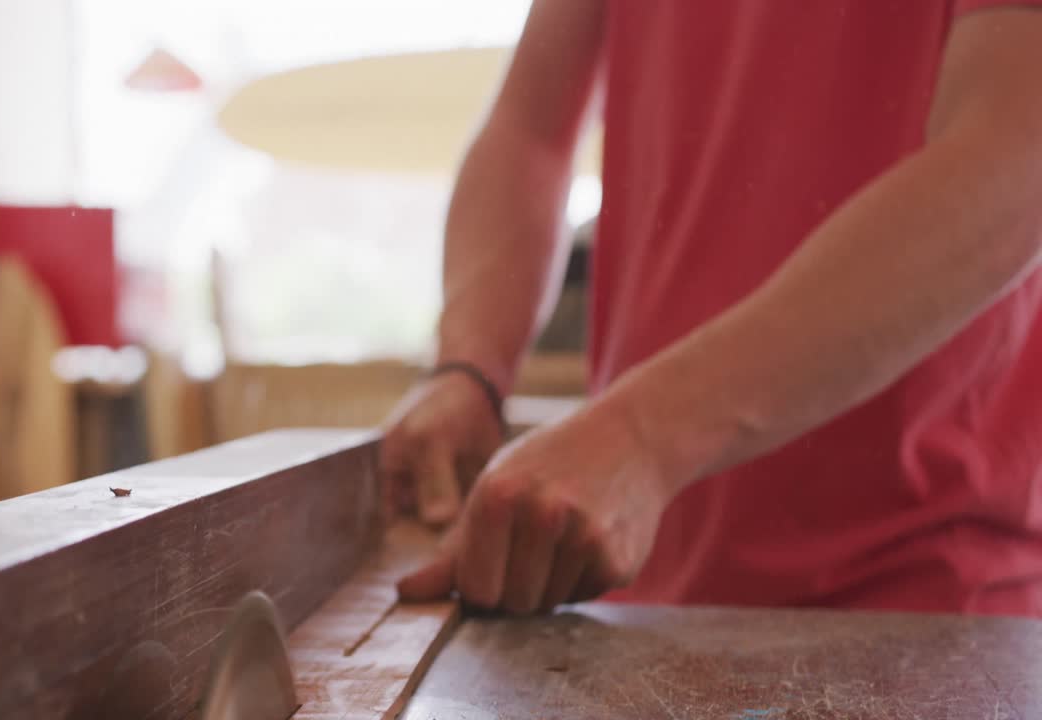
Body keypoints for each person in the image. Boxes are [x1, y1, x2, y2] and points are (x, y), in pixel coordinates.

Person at [381, 0, 1042, 618]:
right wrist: (469, 367)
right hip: (641, 598)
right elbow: (530, 128)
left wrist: (641, 436)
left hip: (927, 600)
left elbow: (1016, 152)